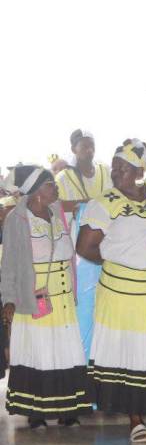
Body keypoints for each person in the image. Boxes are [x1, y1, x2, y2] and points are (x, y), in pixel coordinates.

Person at [76, 139, 146, 444]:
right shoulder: (103, 203)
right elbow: (85, 247)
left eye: (123, 168)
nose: (115, 173)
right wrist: (122, 260)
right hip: (120, 294)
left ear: (140, 170)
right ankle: (135, 420)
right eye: (114, 167)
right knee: (128, 354)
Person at [2, 165, 91, 429]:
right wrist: (8, 299)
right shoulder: (16, 220)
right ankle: (36, 411)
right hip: (34, 297)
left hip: (62, 298)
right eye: (51, 184)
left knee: (65, 351)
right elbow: (8, 264)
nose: (56, 188)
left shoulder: (57, 213)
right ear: (37, 191)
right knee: (37, 351)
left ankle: (67, 410)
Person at [55, 129, 113, 209]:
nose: (90, 150)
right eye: (84, 146)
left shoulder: (105, 171)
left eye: (92, 146)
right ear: (73, 149)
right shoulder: (62, 179)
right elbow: (56, 208)